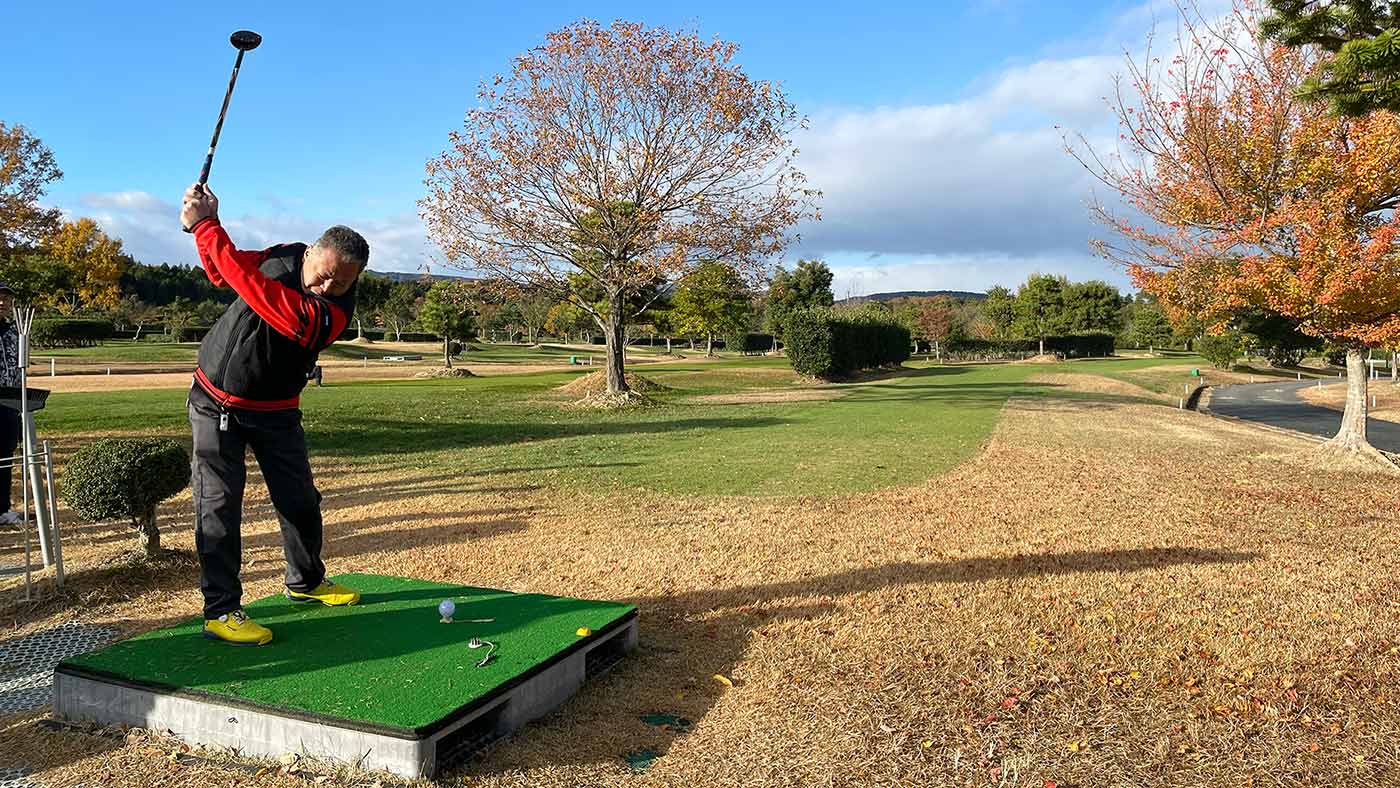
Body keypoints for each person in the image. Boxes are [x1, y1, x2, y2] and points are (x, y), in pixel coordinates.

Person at [180, 183, 367, 646]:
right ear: (311, 254)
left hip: (277, 411)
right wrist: (202, 230)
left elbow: (256, 292)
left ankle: (305, 582)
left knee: (300, 500)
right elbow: (225, 272)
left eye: (341, 283)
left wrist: (205, 225)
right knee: (219, 506)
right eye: (324, 275)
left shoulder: (329, 315)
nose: (328, 288)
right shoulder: (284, 255)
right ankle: (221, 611)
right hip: (215, 402)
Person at [0, 283, 22, 526]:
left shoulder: (14, 334)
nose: (2, 302)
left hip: (8, 402)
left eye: (7, 298)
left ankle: (2, 508)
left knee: (5, 455)